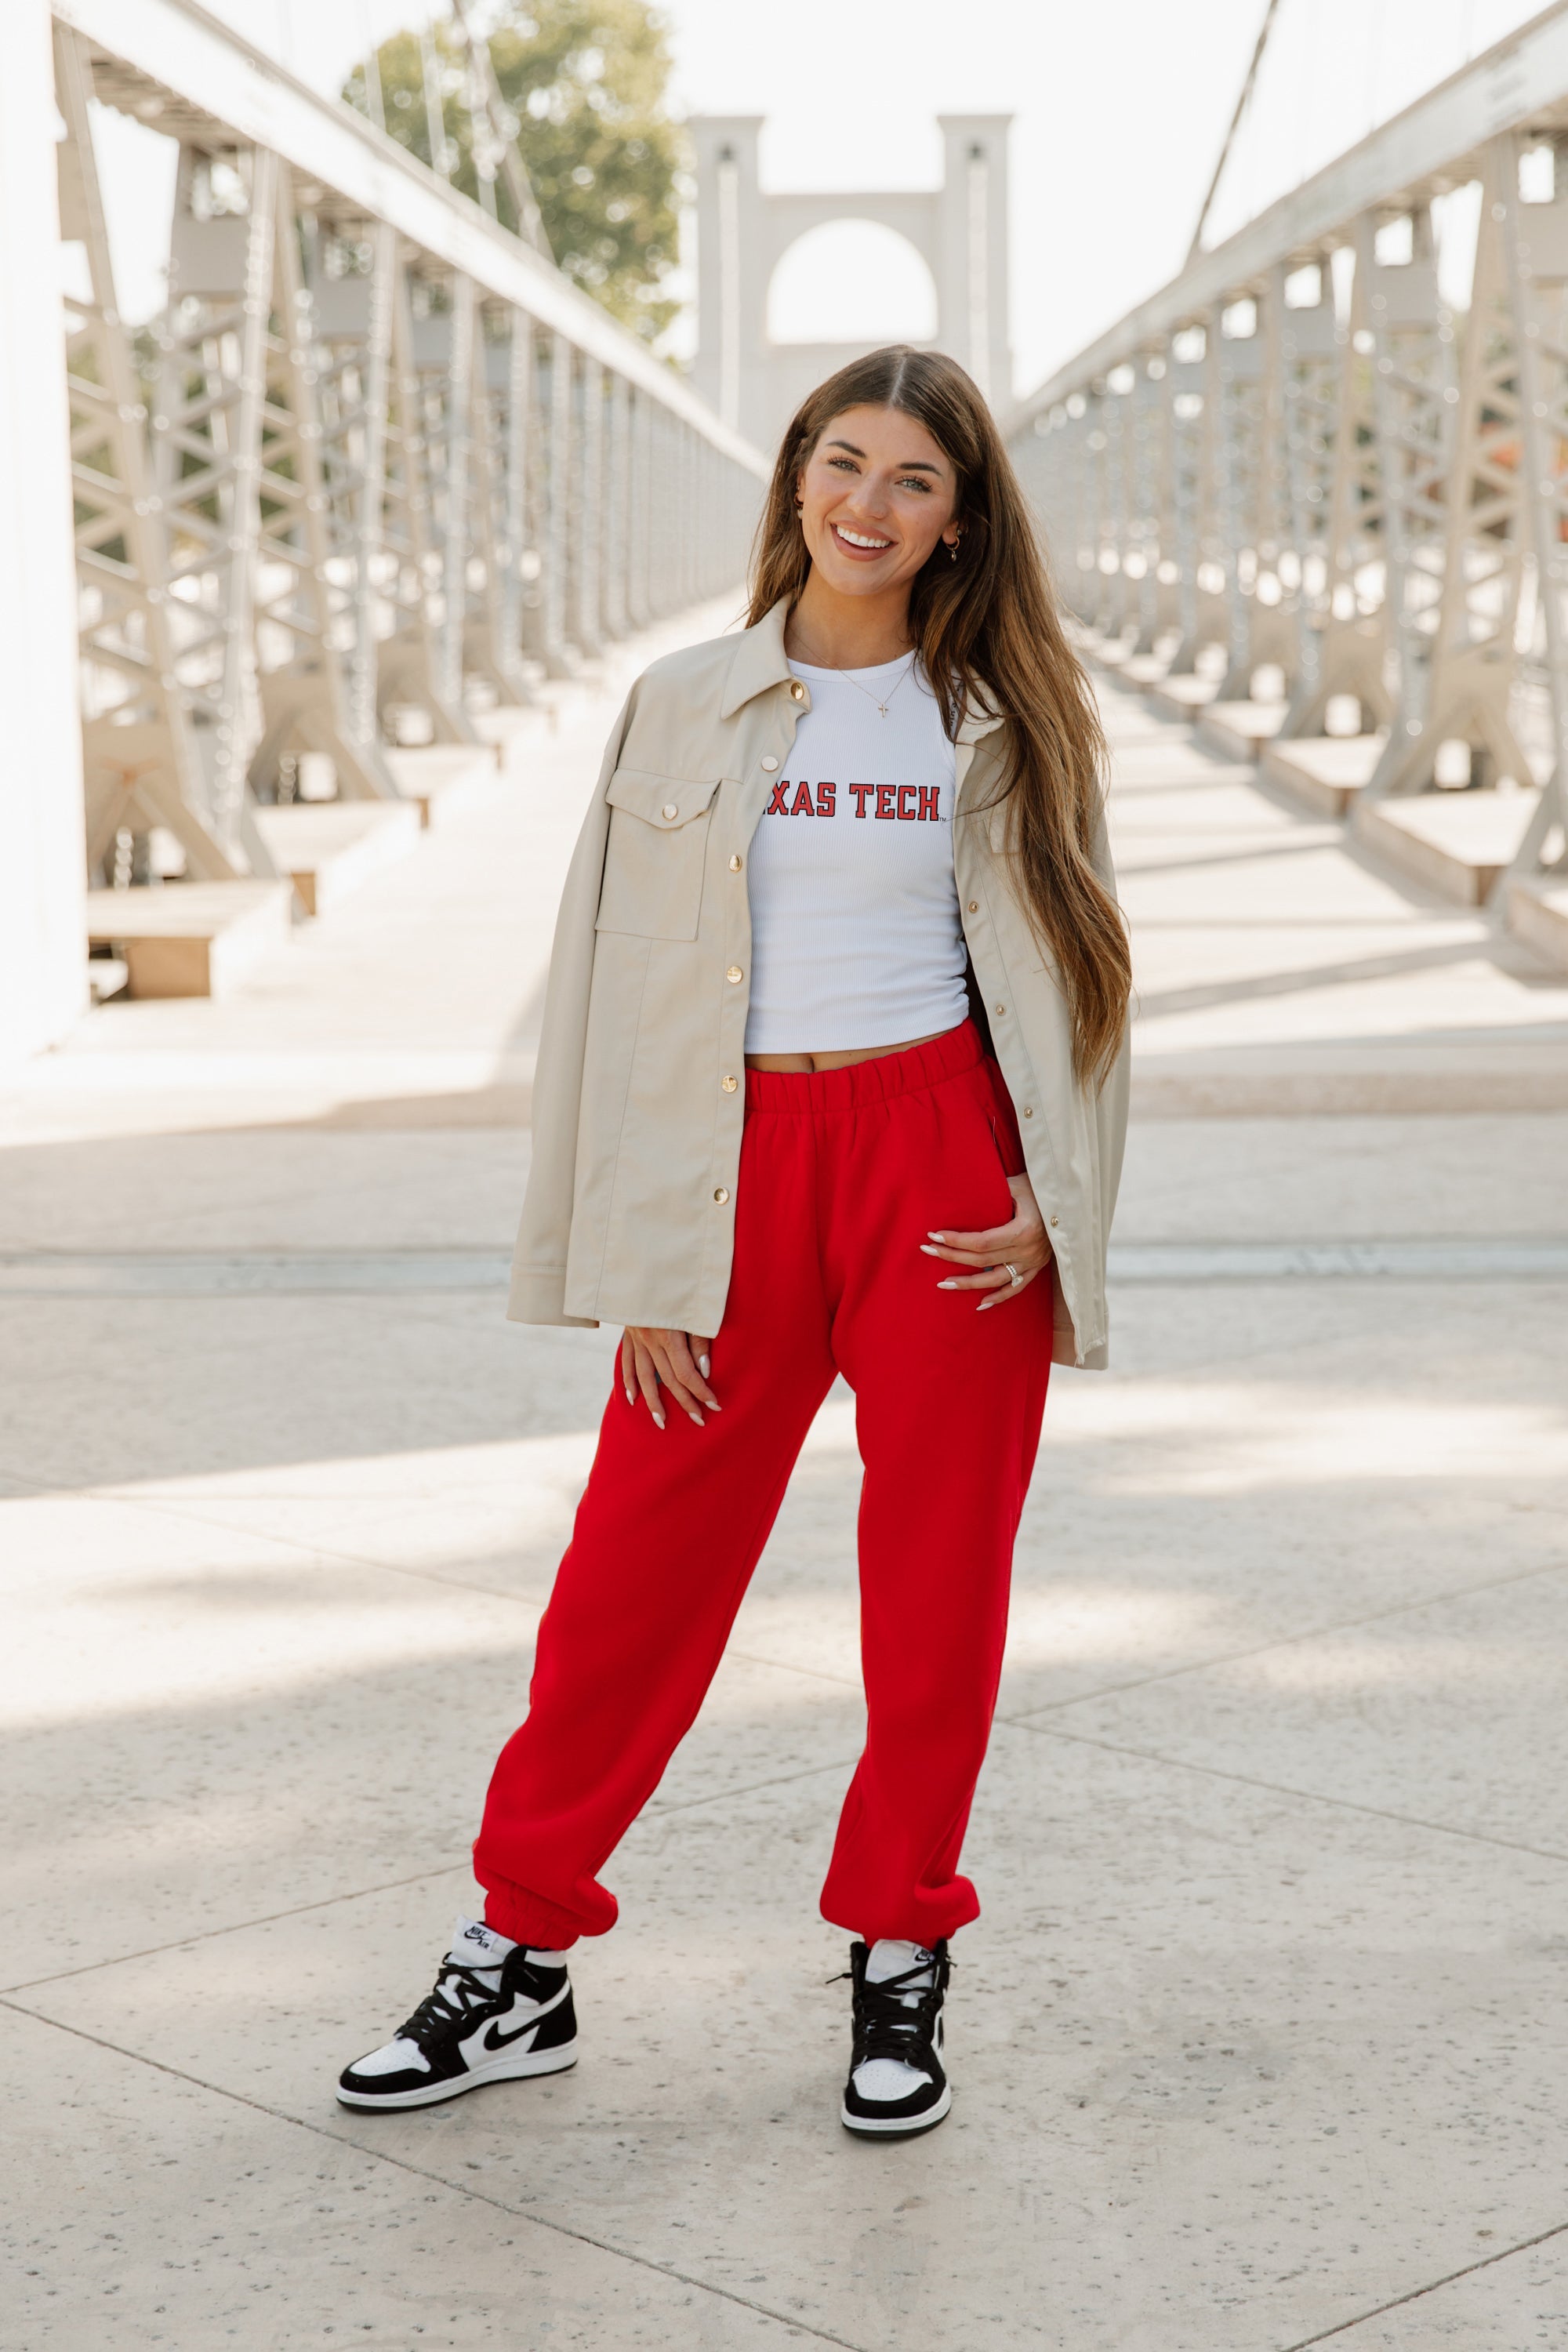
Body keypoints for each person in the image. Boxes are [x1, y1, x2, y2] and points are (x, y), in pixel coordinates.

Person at [337, 345, 1131, 2140]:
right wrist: (633, 1254)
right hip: (732, 1166)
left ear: (958, 520)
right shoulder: (683, 700)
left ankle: (900, 1950)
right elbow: (610, 984)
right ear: (794, 478)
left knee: (936, 1593)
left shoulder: (1005, 713)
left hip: (940, 1169)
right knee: (631, 1574)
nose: (868, 503)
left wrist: (1049, 1196)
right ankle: (518, 1952)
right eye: (842, 462)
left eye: (913, 479)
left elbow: (1086, 970)